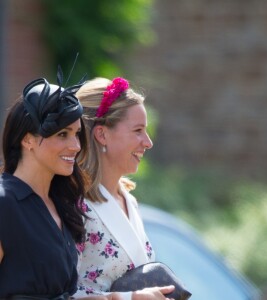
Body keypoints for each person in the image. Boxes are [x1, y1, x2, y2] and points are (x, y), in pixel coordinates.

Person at [0, 72, 123, 300]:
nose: (76, 145)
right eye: (62, 134)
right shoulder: (4, 203)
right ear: (27, 140)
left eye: (76, 134)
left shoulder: (62, 204)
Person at [74, 77, 175, 300]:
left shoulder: (129, 200)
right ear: (102, 134)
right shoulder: (75, 205)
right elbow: (61, 294)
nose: (148, 142)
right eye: (138, 130)